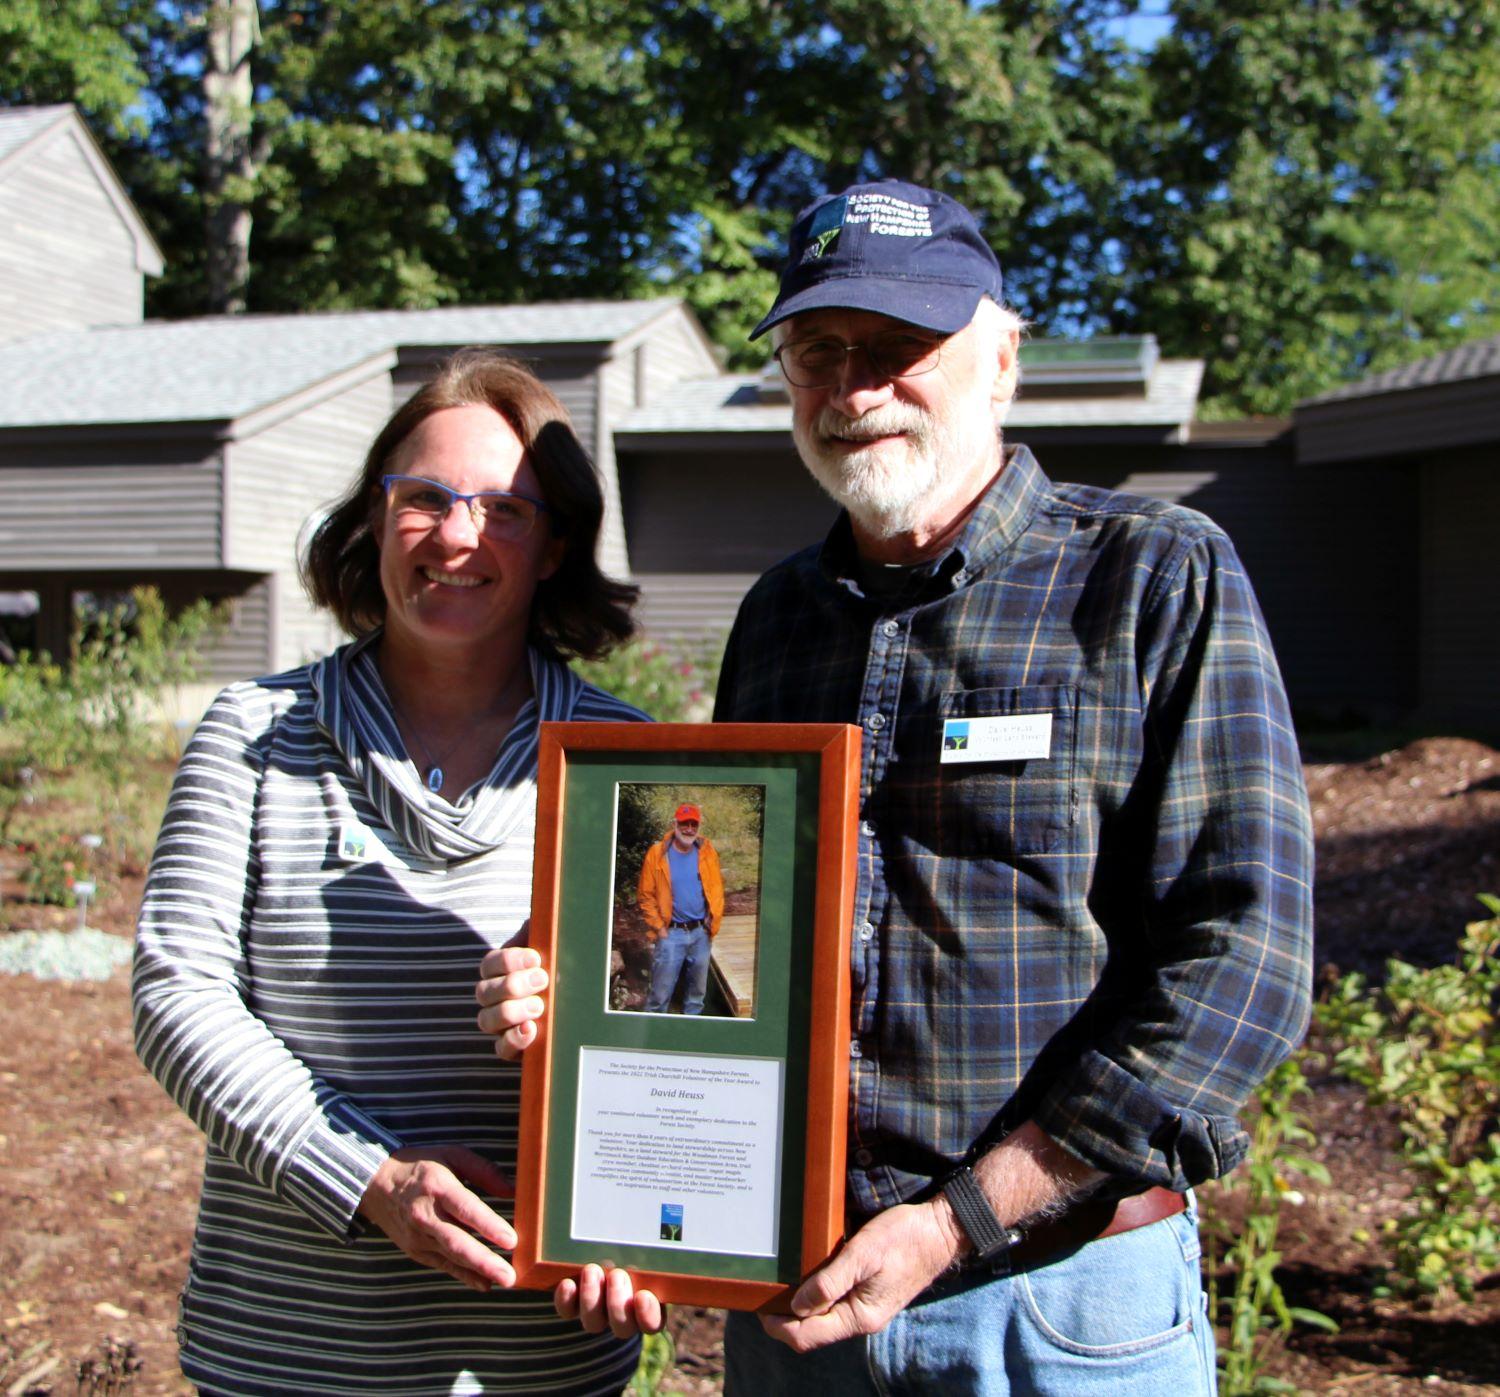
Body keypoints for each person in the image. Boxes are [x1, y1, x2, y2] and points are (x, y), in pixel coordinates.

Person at [478, 178, 1314, 1393]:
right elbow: (743, 963)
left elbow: (1247, 962)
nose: (854, 385)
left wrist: (961, 1214)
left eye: (900, 344)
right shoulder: (778, 620)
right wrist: (606, 1084)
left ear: (1003, 354)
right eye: (817, 351)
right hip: (799, 1308)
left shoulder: (1148, 576)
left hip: (1053, 1303)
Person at [133, 350, 650, 1395]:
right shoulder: (256, 733)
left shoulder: (622, 759)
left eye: (507, 509)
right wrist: (367, 1176)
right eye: (425, 499)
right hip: (289, 1343)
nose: (458, 536)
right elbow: (175, 996)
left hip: (536, 1350)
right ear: (375, 519)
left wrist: (654, 1214)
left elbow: (677, 1021)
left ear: (554, 547)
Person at [636, 803, 724, 1014]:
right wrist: (659, 928)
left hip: (701, 934)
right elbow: (645, 896)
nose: (689, 829)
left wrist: (713, 920)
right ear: (675, 824)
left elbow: (717, 888)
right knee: (659, 996)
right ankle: (653, 1041)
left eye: (694, 824)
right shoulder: (657, 854)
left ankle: (688, 1039)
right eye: (685, 823)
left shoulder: (707, 852)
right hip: (671, 934)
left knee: (696, 998)